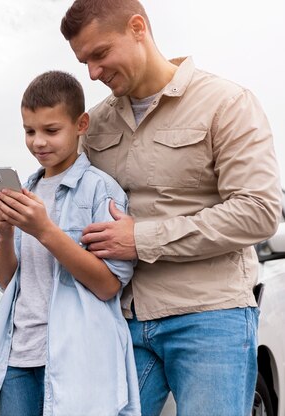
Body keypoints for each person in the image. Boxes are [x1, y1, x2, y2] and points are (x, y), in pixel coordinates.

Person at [59, 1, 282, 415]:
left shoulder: (226, 103)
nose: (92, 72)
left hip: (209, 319)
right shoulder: (97, 124)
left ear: (138, 28)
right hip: (119, 322)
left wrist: (140, 238)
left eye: (100, 54)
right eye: (83, 61)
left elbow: (259, 211)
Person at [0, 71, 140, 415]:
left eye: (51, 130)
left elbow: (108, 285)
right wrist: (5, 231)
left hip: (75, 360)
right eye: (29, 131)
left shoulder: (100, 190)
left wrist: (44, 230)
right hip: (18, 355)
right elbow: (9, 282)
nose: (38, 142)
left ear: (81, 124)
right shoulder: (27, 193)